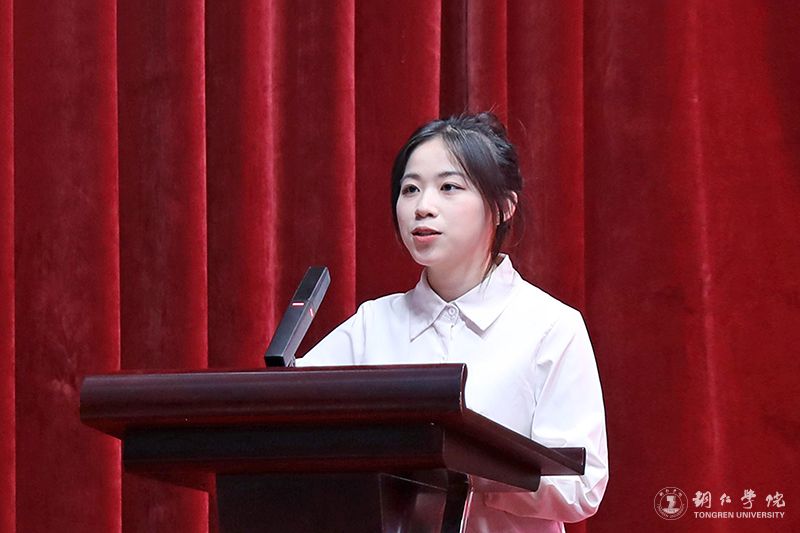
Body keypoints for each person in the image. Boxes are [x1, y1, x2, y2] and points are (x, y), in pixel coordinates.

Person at [296, 112, 608, 532]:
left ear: (503, 207)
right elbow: (292, 423)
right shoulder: (372, 324)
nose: (423, 207)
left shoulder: (551, 326)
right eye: (410, 189)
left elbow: (582, 486)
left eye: (448, 187)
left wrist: (465, 470)